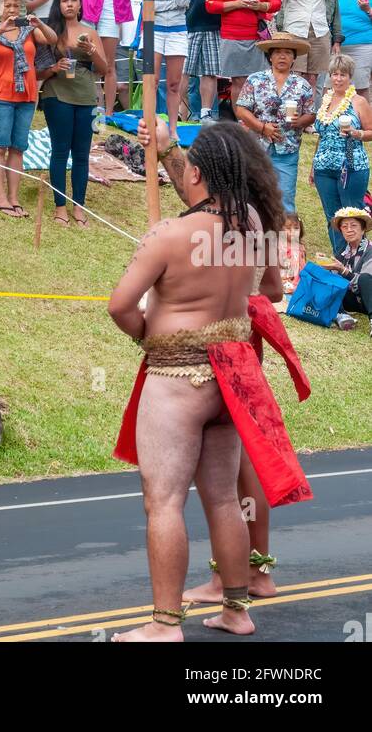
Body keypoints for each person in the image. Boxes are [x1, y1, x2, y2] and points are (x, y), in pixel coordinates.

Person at [109, 123, 312, 642]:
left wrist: (151, 336)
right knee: (223, 497)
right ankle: (236, 611)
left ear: (196, 172)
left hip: (177, 377)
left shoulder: (169, 236)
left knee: (164, 500)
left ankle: (163, 625)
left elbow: (119, 305)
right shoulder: (253, 225)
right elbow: (269, 289)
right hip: (232, 375)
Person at [0, 0, 57, 216]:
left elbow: (52, 40)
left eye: (16, 6)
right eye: (7, 5)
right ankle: (0, 197)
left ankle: (13, 197)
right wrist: (2, 28)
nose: (12, 9)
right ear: (0, 8)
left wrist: (39, 23)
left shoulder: (29, 31)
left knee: (18, 148)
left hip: (27, 96)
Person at [37, 0, 107, 227]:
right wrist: (54, 68)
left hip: (86, 96)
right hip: (57, 95)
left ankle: (79, 207)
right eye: (64, 0)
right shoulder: (50, 32)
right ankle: (60, 207)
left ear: (80, 4)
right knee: (60, 150)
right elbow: (38, 72)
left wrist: (92, 51)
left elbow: (104, 69)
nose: (69, 4)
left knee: (81, 154)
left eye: (73, 0)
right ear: (58, 5)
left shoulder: (91, 32)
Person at [233, 33, 317, 213]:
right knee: (251, 199)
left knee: (285, 201)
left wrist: (299, 121)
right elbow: (241, 109)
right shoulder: (255, 80)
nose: (282, 56)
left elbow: (311, 115)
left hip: (287, 150)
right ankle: (252, 238)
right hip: (256, 149)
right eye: (277, 52)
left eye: (287, 52)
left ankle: (287, 240)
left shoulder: (302, 85)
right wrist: (262, 128)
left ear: (294, 58)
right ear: (270, 56)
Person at [204, 0, 281, 103]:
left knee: (259, 81)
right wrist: (236, 4)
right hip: (232, 36)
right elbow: (210, 5)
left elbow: (277, 3)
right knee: (238, 81)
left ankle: (257, 118)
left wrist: (261, 6)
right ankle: (241, 122)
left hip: (256, 36)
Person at [311, 54, 372, 253]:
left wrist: (357, 133)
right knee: (333, 217)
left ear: (350, 77)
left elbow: (371, 131)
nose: (337, 79)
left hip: (351, 167)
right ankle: (340, 261)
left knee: (352, 216)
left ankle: (358, 261)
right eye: (334, 74)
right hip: (324, 168)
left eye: (342, 75)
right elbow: (322, 135)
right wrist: (313, 165)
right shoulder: (325, 100)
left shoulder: (358, 101)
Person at [183, 0, 233, 122]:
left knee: (210, 72)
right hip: (188, 23)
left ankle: (205, 112)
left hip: (215, 24)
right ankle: (177, 111)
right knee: (184, 72)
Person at [153, 0, 191, 140]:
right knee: (153, 79)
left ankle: (173, 128)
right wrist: (171, 4)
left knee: (174, 84)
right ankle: (150, 123)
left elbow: (184, 3)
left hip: (177, 31)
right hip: (155, 31)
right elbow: (148, 6)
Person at [329, 208, 372, 333]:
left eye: (353, 225)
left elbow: (364, 282)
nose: (349, 230)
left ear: (363, 229)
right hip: (355, 301)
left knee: (364, 278)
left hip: (368, 295)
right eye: (344, 226)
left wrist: (343, 271)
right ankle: (340, 315)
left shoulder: (370, 250)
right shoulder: (343, 252)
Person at [335, 0, 372, 98]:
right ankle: (332, 118)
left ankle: (363, 118)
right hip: (338, 44)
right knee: (333, 85)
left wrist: (368, 9)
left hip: (363, 45)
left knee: (361, 86)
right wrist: (334, 40)